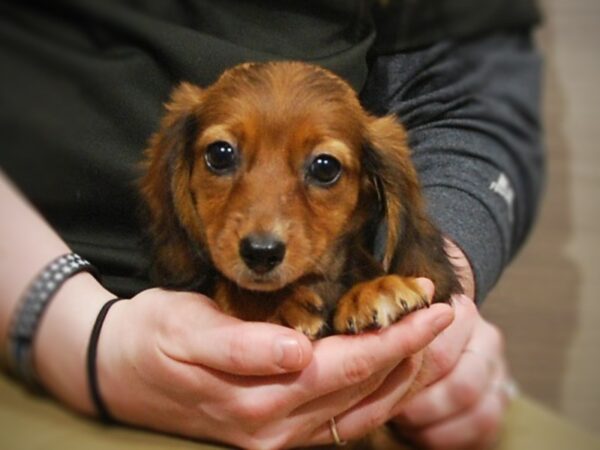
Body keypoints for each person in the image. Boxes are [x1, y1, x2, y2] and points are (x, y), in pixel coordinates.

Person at [0, 0, 543, 448]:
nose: (263, 233)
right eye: (221, 157)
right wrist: (76, 332)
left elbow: (469, 100)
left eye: (323, 169)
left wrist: (427, 316)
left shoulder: (386, 173)